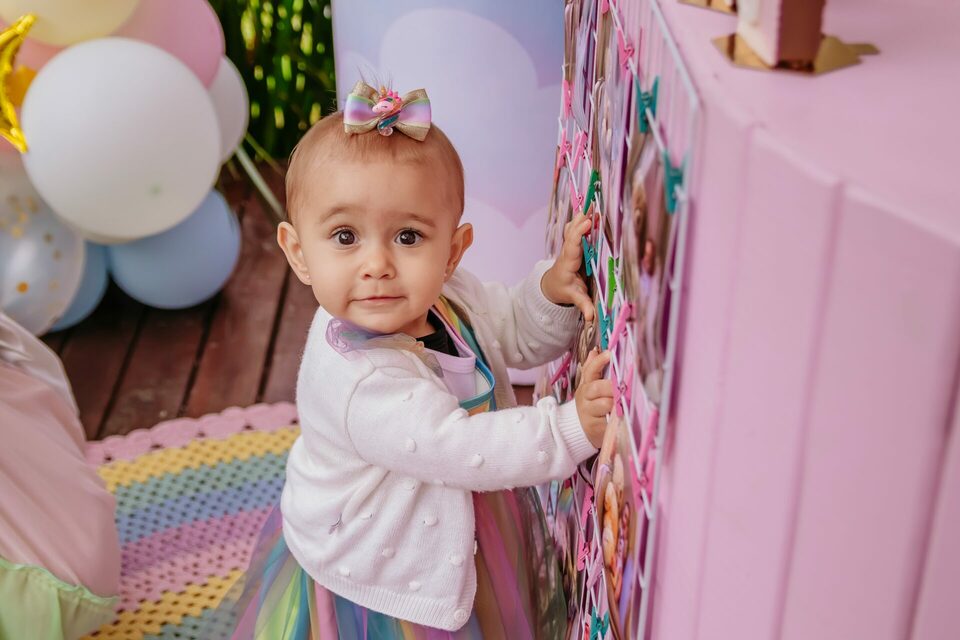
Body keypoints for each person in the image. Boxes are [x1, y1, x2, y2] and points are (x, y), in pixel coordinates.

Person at [221, 81, 614, 638]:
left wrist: (550, 291)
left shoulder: (451, 299)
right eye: (345, 235)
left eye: (407, 236)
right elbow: (460, 446)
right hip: (381, 568)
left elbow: (510, 332)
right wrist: (572, 428)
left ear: (452, 252)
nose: (377, 263)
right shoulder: (359, 378)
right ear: (297, 252)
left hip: (455, 517)